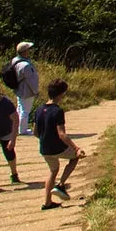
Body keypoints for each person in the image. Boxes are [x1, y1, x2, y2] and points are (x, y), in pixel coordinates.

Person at [36, 79, 84, 210]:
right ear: (61, 94)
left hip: (44, 148)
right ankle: (61, 185)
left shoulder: (39, 109)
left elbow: (35, 131)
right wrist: (76, 148)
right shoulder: (57, 111)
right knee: (74, 157)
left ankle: (47, 202)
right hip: (57, 147)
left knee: (53, 171)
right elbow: (62, 134)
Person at [11, 42, 40, 136]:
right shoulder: (25, 65)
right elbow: (30, 80)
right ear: (24, 52)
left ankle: (18, 127)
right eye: (28, 50)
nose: (29, 51)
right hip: (26, 90)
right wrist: (35, 91)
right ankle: (23, 130)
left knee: (20, 108)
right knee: (25, 110)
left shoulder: (15, 60)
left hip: (19, 88)